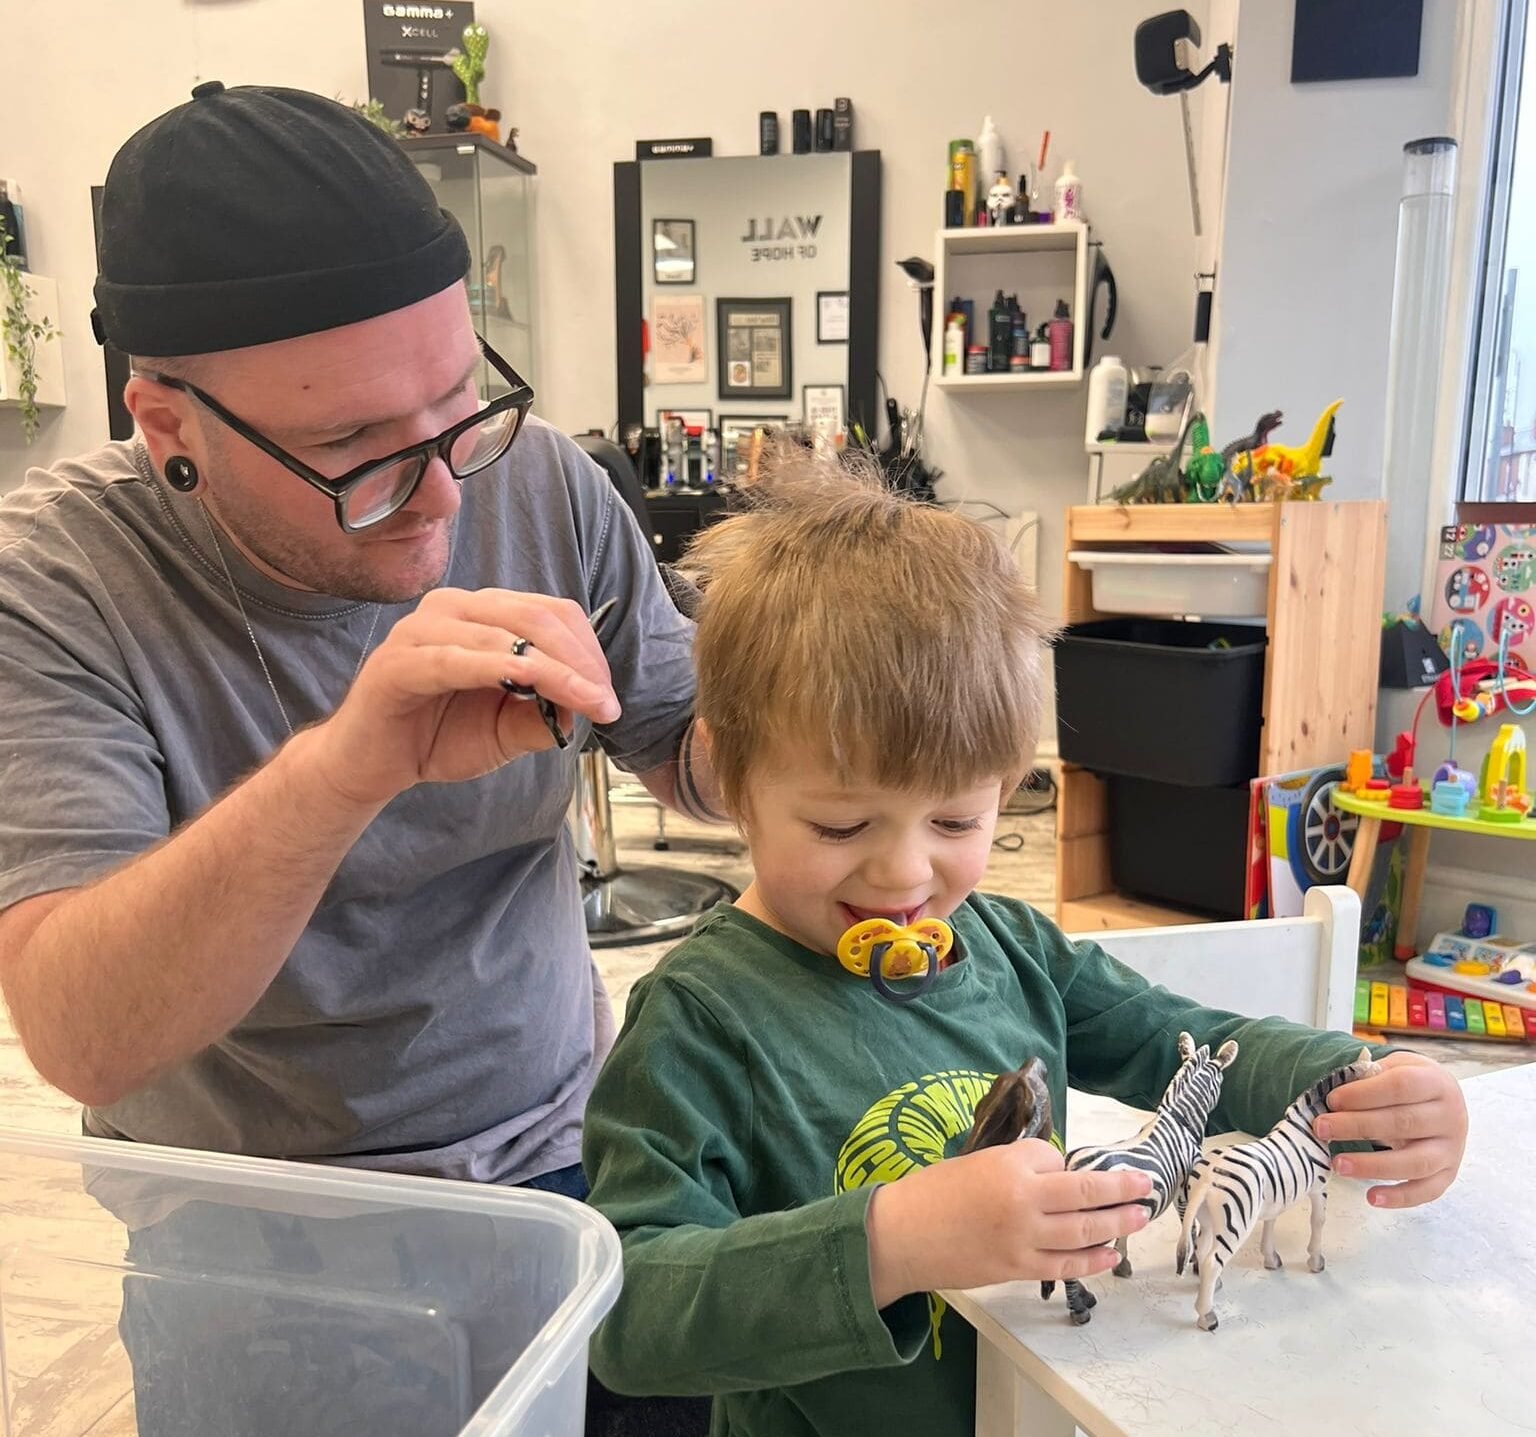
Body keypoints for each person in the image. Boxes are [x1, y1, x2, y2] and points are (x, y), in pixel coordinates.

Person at [0, 83, 715, 1432]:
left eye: (457, 403)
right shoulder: (54, 586)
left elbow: (686, 747)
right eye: (351, 449)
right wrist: (346, 767)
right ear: (168, 428)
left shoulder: (540, 480)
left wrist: (836, 726)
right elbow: (83, 1034)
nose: (445, 490)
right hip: (255, 1237)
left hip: (574, 1170)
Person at [581, 456, 1470, 1437]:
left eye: (957, 823)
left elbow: (1181, 1043)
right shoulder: (700, 1020)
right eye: (841, 828)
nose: (904, 878)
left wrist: (1352, 1079)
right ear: (727, 776)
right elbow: (630, 1319)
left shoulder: (1011, 947)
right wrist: (891, 1243)